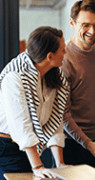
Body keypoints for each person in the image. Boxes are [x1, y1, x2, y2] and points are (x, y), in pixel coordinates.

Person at [0, 26, 69, 179]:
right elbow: (21, 126)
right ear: (50, 56)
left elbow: (55, 120)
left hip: (31, 148)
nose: (66, 53)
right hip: (6, 148)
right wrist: (38, 166)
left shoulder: (54, 76)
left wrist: (60, 164)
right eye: (63, 50)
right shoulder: (14, 76)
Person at [61, 0, 95, 169]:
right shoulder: (63, 58)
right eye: (85, 25)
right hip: (70, 145)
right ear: (72, 23)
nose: (92, 31)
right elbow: (63, 114)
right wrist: (87, 143)